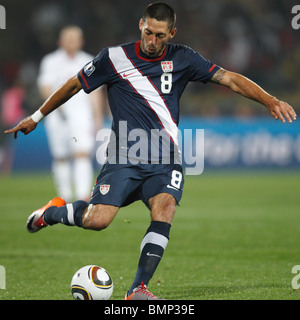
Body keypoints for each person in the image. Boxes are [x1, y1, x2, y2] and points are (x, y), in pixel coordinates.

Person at [5, 2, 296, 300]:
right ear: (140, 24)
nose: (152, 40)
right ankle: (50, 213)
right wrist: (36, 117)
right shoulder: (113, 58)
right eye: (148, 32)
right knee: (98, 220)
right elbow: (73, 85)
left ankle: (138, 289)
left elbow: (230, 78)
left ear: (171, 33)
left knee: (165, 207)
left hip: (165, 159)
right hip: (124, 158)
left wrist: (269, 100)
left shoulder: (184, 57)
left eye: (159, 35)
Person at [37, 25, 104, 202]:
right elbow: (45, 87)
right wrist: (56, 106)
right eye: (68, 38)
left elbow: (96, 92)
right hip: (56, 115)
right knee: (60, 156)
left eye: (74, 38)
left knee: (82, 153)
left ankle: (82, 196)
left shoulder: (90, 61)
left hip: (82, 114)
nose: (71, 41)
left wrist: (98, 117)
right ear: (60, 41)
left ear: (81, 41)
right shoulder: (50, 61)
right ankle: (64, 196)